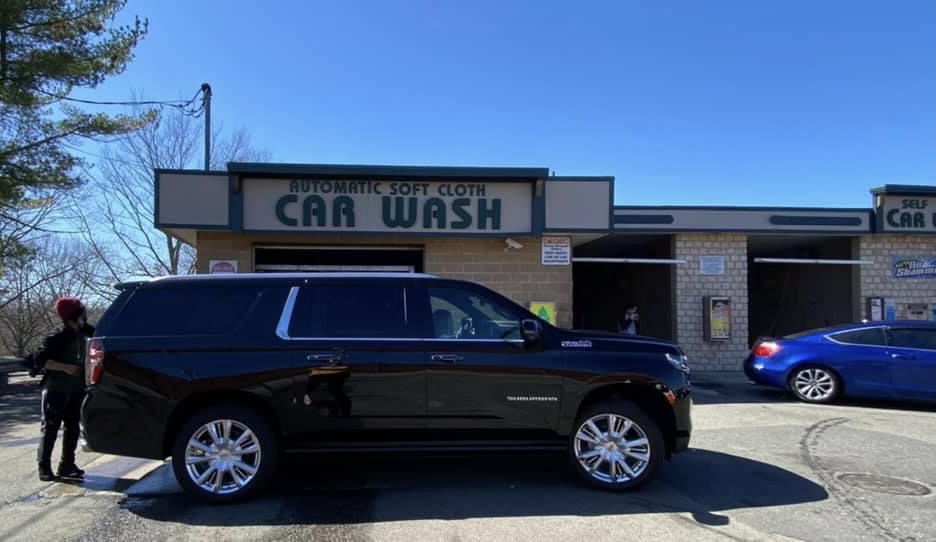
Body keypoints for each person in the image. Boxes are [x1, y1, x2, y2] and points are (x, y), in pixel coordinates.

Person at [35, 296, 95, 482]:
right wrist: (66, 367)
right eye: (81, 309)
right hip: (56, 389)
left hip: (77, 389)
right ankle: (44, 467)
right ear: (74, 314)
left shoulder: (86, 331)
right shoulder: (57, 336)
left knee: (72, 428)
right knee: (51, 428)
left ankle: (67, 465)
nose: (85, 312)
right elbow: (40, 361)